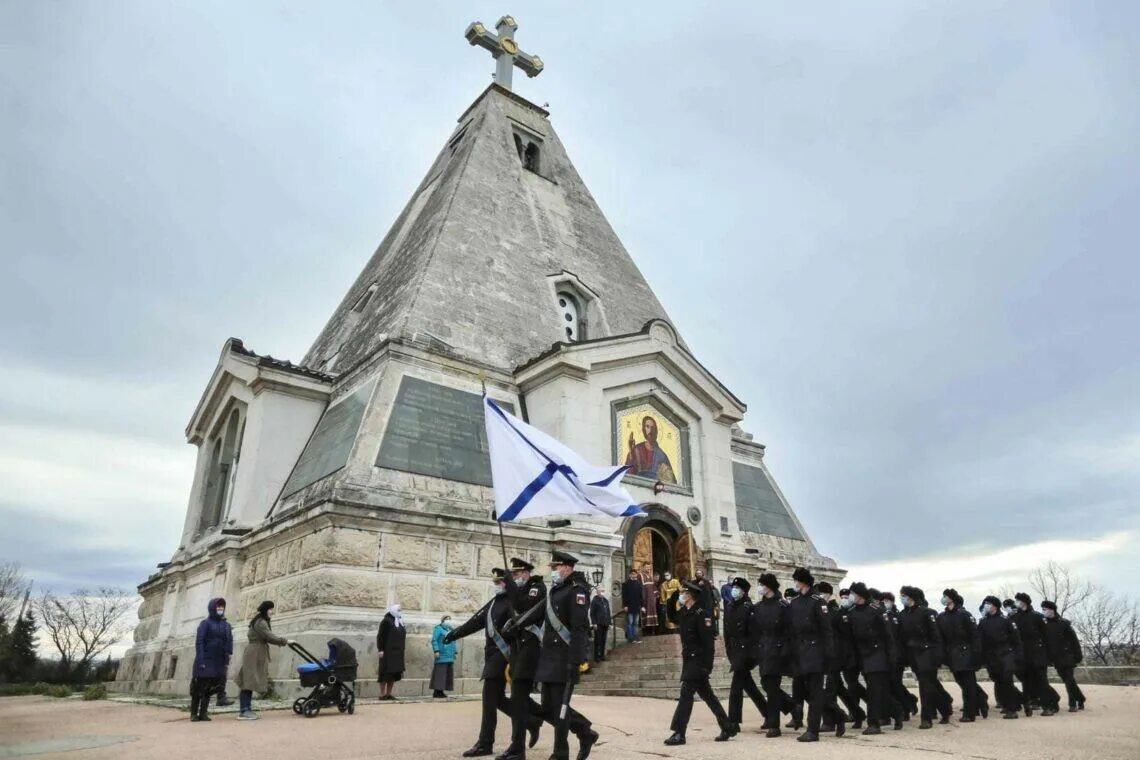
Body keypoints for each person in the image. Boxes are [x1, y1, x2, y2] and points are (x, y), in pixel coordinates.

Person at [447, 569, 541, 758]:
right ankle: (531, 719)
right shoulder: (494, 603)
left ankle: (485, 742)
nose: (498, 585)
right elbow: (477, 621)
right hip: (491, 654)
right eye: (496, 582)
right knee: (496, 699)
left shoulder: (514, 600)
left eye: (502, 582)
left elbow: (521, 620)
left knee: (489, 696)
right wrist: (455, 633)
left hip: (504, 654)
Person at [535, 551, 598, 760]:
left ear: (567, 567)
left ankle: (560, 754)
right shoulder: (557, 590)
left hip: (564, 658)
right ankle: (585, 731)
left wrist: (576, 660)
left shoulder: (577, 590)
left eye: (556, 567)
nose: (552, 571)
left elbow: (580, 628)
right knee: (548, 708)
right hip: (549, 657)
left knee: (560, 709)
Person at [664, 580, 738, 745]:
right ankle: (727, 726)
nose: (682, 595)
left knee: (686, 695)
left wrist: (707, 665)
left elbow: (708, 643)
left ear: (691, 596)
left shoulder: (701, 614)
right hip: (689, 659)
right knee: (708, 696)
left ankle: (679, 732)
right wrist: (673, 597)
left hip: (698, 661)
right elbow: (671, 617)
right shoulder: (685, 612)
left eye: (684, 593)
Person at [787, 567, 843, 742]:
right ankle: (838, 714)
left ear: (803, 582)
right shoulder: (794, 603)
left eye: (796, 580)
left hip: (815, 651)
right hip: (799, 652)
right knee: (805, 691)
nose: (795, 584)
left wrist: (829, 655)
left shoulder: (817, 602)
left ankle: (812, 730)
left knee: (815, 692)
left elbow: (826, 631)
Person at [501, 557, 547, 760]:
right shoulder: (518, 590)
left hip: (531, 648)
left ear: (527, 572)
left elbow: (525, 606)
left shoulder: (537, 588)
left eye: (518, 573)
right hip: (518, 648)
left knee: (519, 698)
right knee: (518, 699)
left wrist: (511, 587)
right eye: (513, 574)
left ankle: (517, 748)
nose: (516, 577)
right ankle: (517, 744)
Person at [898, 586, 948, 729]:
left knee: (926, 686)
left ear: (910, 597)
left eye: (903, 595)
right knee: (931, 686)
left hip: (927, 654)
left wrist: (938, 656)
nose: (902, 598)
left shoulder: (927, 613)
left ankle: (926, 718)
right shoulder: (903, 615)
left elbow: (936, 636)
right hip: (913, 655)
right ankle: (945, 708)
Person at [234, 600, 293, 720]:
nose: (272, 612)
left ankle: (246, 709)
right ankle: (244, 710)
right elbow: (269, 636)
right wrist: (285, 641)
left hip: (256, 652)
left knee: (249, 680)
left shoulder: (259, 620)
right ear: (266, 610)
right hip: (255, 653)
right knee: (248, 681)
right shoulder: (261, 622)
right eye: (270, 609)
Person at [846, 583, 892, 734]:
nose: (850, 596)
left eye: (852, 593)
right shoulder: (851, 612)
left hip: (876, 653)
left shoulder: (876, 610)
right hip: (860, 655)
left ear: (859, 595)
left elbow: (888, 636)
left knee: (874, 690)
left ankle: (874, 723)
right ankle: (893, 712)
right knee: (859, 687)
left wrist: (890, 657)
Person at [751, 573, 792, 737]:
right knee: (766, 684)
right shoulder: (758, 607)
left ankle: (774, 725)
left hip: (777, 649)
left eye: (761, 584)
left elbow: (789, 630)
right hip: (763, 649)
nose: (759, 587)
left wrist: (785, 650)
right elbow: (755, 631)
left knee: (772, 687)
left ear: (769, 587)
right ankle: (792, 706)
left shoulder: (783, 606)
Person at [936, 589, 987, 722]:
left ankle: (969, 713)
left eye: (945, 596)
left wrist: (976, 655)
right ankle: (981, 699)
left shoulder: (964, 614)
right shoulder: (942, 617)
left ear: (952, 599)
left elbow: (974, 636)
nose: (943, 599)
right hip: (952, 654)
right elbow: (940, 638)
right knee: (962, 683)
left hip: (966, 652)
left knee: (969, 684)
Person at [723, 576, 767, 729]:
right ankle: (773, 711)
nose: (734, 591)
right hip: (734, 651)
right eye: (734, 588)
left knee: (736, 686)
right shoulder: (729, 606)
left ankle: (733, 722)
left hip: (745, 652)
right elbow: (727, 631)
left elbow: (754, 634)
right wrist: (728, 648)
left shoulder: (749, 608)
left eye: (738, 589)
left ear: (744, 591)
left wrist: (751, 654)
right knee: (749, 687)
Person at [820, 583, 866, 730]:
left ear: (829, 595)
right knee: (839, 689)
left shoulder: (834, 611)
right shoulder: (824, 610)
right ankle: (857, 713)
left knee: (830, 690)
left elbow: (844, 637)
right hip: (830, 655)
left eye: (822, 593)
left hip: (837, 656)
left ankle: (829, 721)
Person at [1011, 592, 1059, 716]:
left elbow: (1047, 636)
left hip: (1038, 653)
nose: (1016, 603)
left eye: (1018, 601)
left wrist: (1049, 655)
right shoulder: (1014, 617)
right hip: (1023, 654)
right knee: (1026, 682)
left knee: (1041, 681)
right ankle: (1028, 705)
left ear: (1025, 602)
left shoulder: (1037, 617)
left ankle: (1048, 706)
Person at [978, 595, 1023, 719]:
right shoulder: (983, 622)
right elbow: (980, 641)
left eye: (989, 604)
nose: (986, 606)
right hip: (991, 657)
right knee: (999, 682)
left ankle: (1012, 709)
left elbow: (1016, 639)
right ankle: (1020, 701)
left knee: (1007, 680)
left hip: (1006, 653)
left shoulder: (1006, 620)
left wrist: (1018, 655)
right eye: (985, 603)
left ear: (995, 606)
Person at [190, 597, 233, 722]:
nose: (220, 609)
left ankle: (203, 712)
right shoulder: (205, 623)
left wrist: (228, 654)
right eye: (218, 606)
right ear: (212, 608)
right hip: (205, 659)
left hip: (218, 660)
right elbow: (199, 642)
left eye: (222, 607)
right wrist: (201, 659)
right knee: (199, 687)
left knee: (209, 689)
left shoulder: (226, 624)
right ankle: (193, 713)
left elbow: (229, 640)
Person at [878, 590, 917, 723]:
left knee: (895, 684)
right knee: (888, 685)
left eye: (887, 601)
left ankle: (906, 706)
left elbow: (901, 637)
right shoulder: (881, 615)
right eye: (882, 601)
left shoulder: (897, 616)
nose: (884, 603)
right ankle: (895, 710)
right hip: (885, 656)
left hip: (897, 656)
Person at [1041, 600, 1085, 712]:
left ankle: (1072, 704)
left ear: (1052, 610)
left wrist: (1078, 656)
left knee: (1069, 680)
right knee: (1067, 680)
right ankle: (1080, 698)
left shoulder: (1064, 623)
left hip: (1067, 656)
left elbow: (1074, 641)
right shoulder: (1044, 624)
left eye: (1045, 609)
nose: (1044, 612)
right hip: (1056, 658)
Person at [625, 415, 676, 482]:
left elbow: (671, 481)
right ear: (643, 429)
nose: (650, 430)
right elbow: (628, 475)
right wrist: (631, 453)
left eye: (653, 428)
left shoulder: (661, 455)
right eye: (647, 427)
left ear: (656, 431)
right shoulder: (636, 450)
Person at [377, 604, 407, 701]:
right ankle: (382, 694)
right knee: (384, 673)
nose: (400, 611)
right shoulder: (386, 621)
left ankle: (388, 693)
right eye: (398, 610)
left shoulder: (400, 621)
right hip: (387, 652)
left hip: (398, 653)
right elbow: (380, 636)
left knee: (393, 674)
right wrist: (380, 649)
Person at [431, 615, 458, 699]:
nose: (449, 620)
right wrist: (436, 650)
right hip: (442, 654)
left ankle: (441, 691)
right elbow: (434, 640)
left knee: (447, 673)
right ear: (443, 620)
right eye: (447, 619)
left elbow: (454, 641)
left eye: (450, 619)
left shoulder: (451, 630)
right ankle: (437, 691)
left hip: (449, 655)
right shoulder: (438, 629)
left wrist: (455, 651)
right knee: (440, 673)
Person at [693, 568, 720, 636]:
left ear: (702, 574)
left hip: (708, 606)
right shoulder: (693, 583)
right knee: (699, 620)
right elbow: (693, 593)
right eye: (697, 573)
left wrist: (714, 605)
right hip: (699, 606)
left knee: (709, 620)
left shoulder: (707, 582)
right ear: (695, 575)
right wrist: (698, 585)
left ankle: (710, 633)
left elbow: (711, 594)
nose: (699, 574)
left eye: (700, 573)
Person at [620, 569, 644, 644]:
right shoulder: (626, 584)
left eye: (635, 574)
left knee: (636, 623)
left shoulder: (639, 584)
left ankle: (636, 637)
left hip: (636, 606)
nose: (634, 575)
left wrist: (642, 605)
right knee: (630, 622)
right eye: (632, 574)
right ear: (629, 575)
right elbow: (624, 596)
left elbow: (641, 596)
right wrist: (625, 605)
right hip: (629, 606)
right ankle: (631, 638)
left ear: (636, 575)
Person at [589, 587, 611, 662]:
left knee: (603, 640)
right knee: (598, 641)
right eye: (601, 591)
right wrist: (594, 623)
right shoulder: (595, 601)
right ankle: (597, 657)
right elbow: (592, 613)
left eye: (603, 591)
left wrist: (609, 622)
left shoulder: (605, 601)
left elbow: (608, 612)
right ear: (597, 592)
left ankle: (602, 655)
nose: (602, 592)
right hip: (598, 623)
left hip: (605, 623)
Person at [638, 563, 659, 634]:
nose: (648, 568)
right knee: (645, 615)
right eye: (646, 567)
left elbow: (654, 588)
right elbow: (639, 589)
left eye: (649, 567)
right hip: (644, 600)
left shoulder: (651, 576)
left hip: (652, 600)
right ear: (643, 567)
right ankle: (645, 632)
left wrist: (655, 596)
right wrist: (641, 602)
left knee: (652, 615)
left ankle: (651, 631)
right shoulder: (640, 576)